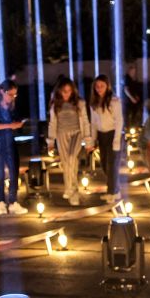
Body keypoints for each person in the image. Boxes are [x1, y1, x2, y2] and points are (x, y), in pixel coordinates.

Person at [47, 76, 92, 206]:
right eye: (64, 90)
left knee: (72, 157)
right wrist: (51, 141)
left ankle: (72, 189)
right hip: (62, 135)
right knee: (67, 163)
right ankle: (72, 191)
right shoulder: (55, 104)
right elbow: (52, 123)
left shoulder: (79, 103)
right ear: (59, 91)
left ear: (73, 91)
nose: (67, 93)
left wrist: (88, 141)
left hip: (76, 133)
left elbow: (85, 121)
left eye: (69, 90)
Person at [0, 79, 28, 215]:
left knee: (14, 171)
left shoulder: (11, 105)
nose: (12, 97)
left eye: (15, 95)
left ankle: (13, 202)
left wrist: (18, 124)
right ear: (1, 91)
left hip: (10, 141)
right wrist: (10, 125)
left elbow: (12, 120)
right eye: (10, 94)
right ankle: (1, 203)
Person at [89, 74, 124, 202]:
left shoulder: (114, 101)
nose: (99, 88)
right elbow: (93, 123)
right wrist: (93, 140)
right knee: (104, 165)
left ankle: (112, 192)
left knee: (112, 165)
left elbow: (119, 120)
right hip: (101, 135)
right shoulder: (94, 103)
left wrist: (116, 140)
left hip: (113, 134)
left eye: (102, 86)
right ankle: (116, 189)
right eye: (97, 86)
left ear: (107, 86)